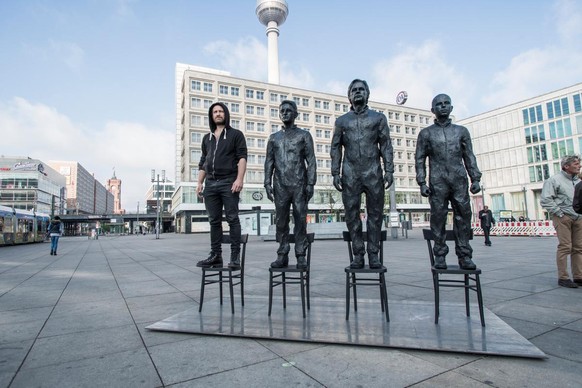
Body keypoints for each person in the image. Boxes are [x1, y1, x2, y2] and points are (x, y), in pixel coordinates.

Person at [330, 79, 394, 269]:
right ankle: (358, 254)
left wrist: (389, 169)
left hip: (373, 171)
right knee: (351, 215)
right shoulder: (341, 121)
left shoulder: (378, 118)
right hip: (350, 173)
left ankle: (373, 254)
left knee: (375, 215)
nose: (358, 92)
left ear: (368, 94)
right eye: (354, 90)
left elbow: (386, 145)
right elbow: (335, 148)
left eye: (361, 89)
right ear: (349, 96)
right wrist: (335, 172)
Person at [415, 93, 481, 270]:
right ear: (433, 110)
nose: (443, 106)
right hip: (438, 180)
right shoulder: (426, 133)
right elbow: (419, 159)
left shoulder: (461, 131)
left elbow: (469, 157)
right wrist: (422, 182)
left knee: (463, 217)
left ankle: (464, 255)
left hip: (459, 179)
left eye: (446, 103)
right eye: (439, 104)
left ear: (451, 108)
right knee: (438, 218)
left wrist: (475, 178)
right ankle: (440, 255)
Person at [264, 100, 317, 269]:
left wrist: (311, 183)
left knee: (300, 219)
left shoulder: (304, 135)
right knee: (281, 221)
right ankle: (282, 253)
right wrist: (267, 183)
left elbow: (311, 161)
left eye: (288, 110)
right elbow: (269, 162)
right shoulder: (273, 138)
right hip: (280, 185)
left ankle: (301, 254)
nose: (285, 113)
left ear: (296, 114)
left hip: (299, 184)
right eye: (282, 111)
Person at [196, 102, 248, 269]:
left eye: (220, 111)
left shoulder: (236, 135)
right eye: (215, 112)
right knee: (214, 221)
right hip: (210, 184)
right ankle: (216, 255)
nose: (218, 114)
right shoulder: (207, 138)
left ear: (225, 114)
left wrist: (239, 179)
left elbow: (242, 158)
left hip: (228, 182)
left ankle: (235, 257)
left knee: (232, 218)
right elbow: (203, 162)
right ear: (211, 116)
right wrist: (199, 182)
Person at [541, 155, 582, 288]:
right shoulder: (554, 180)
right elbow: (546, 199)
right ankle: (563, 277)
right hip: (563, 217)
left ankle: (578, 276)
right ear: (566, 166)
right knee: (565, 247)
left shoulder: (578, 181)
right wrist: (560, 213)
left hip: (579, 217)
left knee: (579, 248)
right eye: (576, 163)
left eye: (579, 163)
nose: (579, 166)